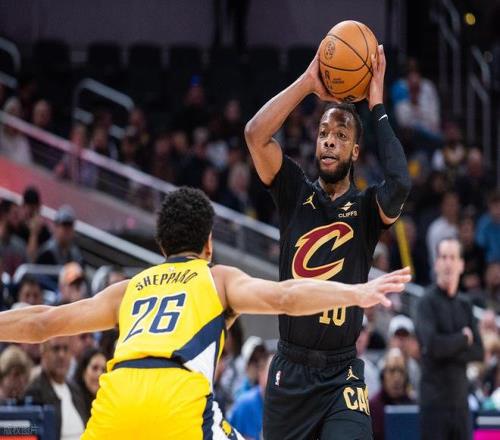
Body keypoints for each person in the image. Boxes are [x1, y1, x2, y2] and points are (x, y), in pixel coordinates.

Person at [0, 187, 410, 439]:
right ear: (209, 244)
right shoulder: (217, 279)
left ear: (162, 246)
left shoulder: (128, 289)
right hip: (178, 405)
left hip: (115, 406)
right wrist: (355, 292)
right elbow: (286, 296)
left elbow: (43, 322)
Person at [245, 44, 411, 439]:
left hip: (342, 372)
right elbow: (255, 134)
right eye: (323, 134)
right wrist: (307, 83)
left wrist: (376, 105)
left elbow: (400, 183)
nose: (329, 141)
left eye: (340, 135)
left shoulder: (367, 208)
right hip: (291, 368)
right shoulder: (293, 191)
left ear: (355, 150)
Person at [415, 237, 484, 440]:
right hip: (434, 404)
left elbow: (478, 351)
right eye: (443, 257)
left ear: (461, 265)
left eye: (453, 257)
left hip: (461, 403)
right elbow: (432, 346)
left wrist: (447, 346)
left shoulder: (465, 304)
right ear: (436, 263)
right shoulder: (425, 302)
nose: (448, 263)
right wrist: (462, 340)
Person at [24, 336, 87, 439]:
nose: (61, 355)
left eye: (65, 349)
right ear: (43, 353)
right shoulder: (34, 392)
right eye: (56, 349)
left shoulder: (76, 390)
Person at [369, 348, 415, 440]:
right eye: (392, 370)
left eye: (401, 371)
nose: (397, 378)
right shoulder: (372, 407)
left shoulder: (412, 406)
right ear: (383, 375)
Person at [72, 348, 107, 423]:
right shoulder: (72, 399)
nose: (99, 374)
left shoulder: (107, 403)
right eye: (95, 368)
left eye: (103, 370)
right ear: (84, 371)